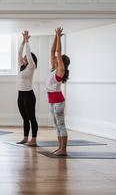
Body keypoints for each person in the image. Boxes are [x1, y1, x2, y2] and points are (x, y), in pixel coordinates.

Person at [47, 27, 70, 156]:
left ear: (61, 62)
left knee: (61, 125)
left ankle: (64, 149)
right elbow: (52, 51)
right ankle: (60, 148)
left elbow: (57, 51)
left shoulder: (60, 70)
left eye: (58, 58)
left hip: (58, 102)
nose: (55, 58)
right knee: (57, 125)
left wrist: (58, 36)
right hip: (52, 101)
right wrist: (56, 37)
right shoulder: (53, 69)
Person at [16, 30, 38, 146]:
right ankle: (25, 138)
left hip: (29, 95)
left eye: (26, 57)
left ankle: (33, 140)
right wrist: (23, 42)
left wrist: (27, 42)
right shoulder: (21, 67)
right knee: (25, 118)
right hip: (20, 95)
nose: (24, 58)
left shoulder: (31, 67)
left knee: (31, 117)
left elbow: (28, 55)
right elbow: (19, 54)